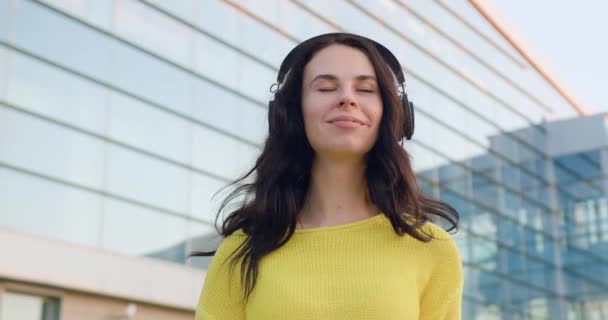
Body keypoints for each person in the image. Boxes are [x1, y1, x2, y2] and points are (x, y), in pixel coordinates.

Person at [193, 32, 463, 320]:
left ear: (391, 115)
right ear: (293, 112)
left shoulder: (432, 249)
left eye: (366, 89)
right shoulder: (242, 250)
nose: (347, 98)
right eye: (325, 88)